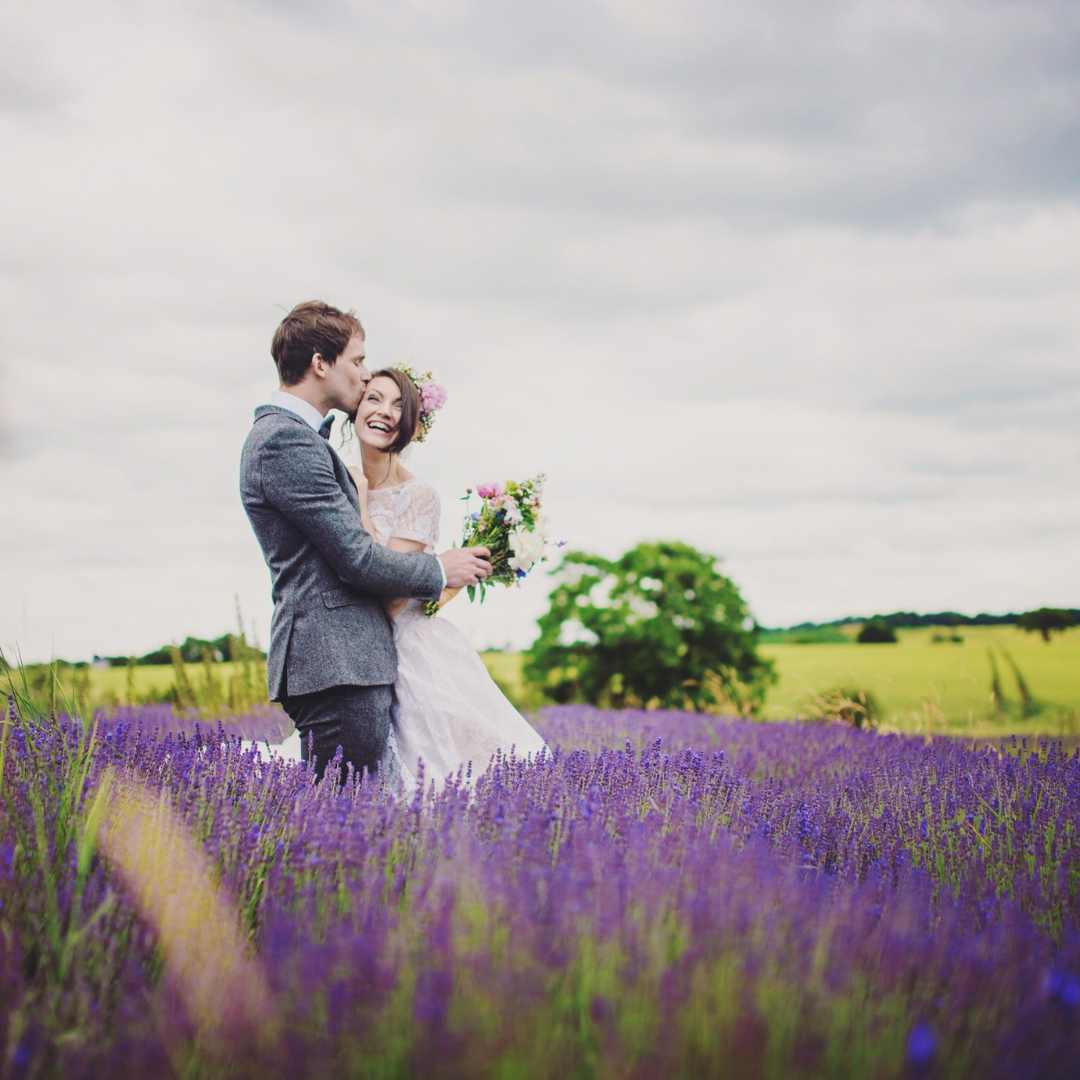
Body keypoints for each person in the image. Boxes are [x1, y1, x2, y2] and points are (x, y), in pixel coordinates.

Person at [239, 300, 492, 784]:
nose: (362, 373)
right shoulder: (284, 440)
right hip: (338, 662)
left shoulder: (299, 438)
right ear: (320, 364)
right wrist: (442, 569)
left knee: (356, 806)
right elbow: (358, 560)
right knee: (346, 809)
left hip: (350, 660)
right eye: (356, 360)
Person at [273, 365, 548, 789]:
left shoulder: (418, 496)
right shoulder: (329, 475)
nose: (384, 412)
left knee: (434, 778)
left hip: (409, 651)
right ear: (355, 406)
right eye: (375, 399)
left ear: (413, 425)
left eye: (399, 406)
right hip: (348, 647)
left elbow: (390, 598)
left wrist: (361, 503)